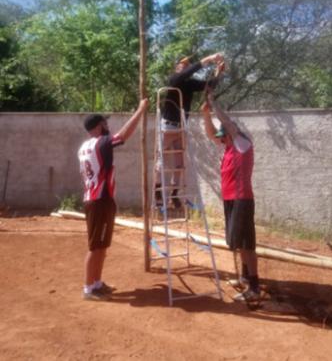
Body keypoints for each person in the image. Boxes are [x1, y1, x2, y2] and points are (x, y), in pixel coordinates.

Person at [78, 98, 148, 301]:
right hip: (99, 200)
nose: (108, 126)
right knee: (95, 246)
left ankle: (97, 283)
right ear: (99, 126)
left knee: (102, 245)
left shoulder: (84, 147)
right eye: (105, 123)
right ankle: (88, 289)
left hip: (99, 199)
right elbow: (123, 135)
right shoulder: (101, 143)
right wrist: (140, 110)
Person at [201, 93, 260, 302]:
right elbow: (211, 134)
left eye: (223, 135)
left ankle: (254, 287)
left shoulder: (242, 143)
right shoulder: (228, 147)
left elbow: (227, 124)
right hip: (230, 199)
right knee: (237, 240)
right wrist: (206, 114)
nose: (221, 138)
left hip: (241, 199)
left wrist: (213, 102)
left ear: (231, 134)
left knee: (245, 243)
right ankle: (245, 277)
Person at [154, 53, 224, 209]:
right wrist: (209, 59)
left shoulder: (189, 84)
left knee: (180, 163)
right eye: (182, 64)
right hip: (167, 126)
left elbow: (209, 85)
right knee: (161, 160)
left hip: (181, 126)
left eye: (186, 64)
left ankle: (174, 194)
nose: (185, 66)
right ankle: (157, 190)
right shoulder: (173, 80)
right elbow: (189, 71)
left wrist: (220, 71)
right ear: (176, 67)